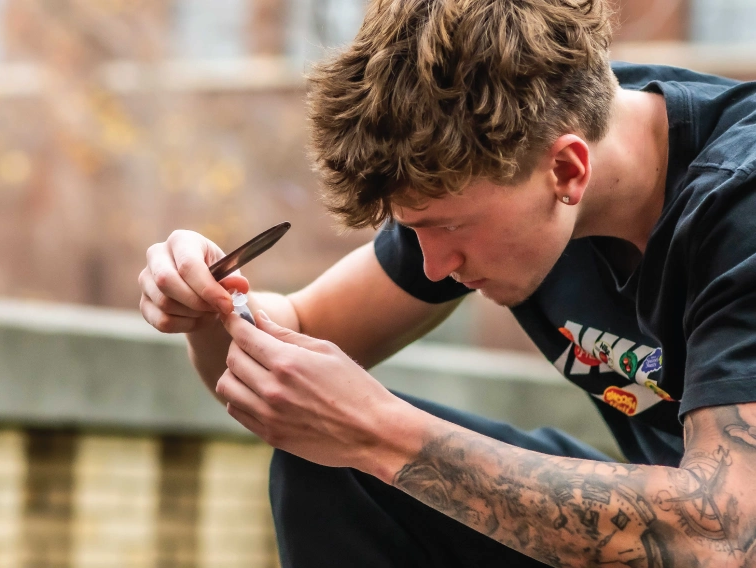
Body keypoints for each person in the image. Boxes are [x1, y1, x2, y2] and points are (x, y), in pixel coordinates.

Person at [138, 0, 756, 566]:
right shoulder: (493, 160)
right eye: (416, 230)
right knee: (335, 470)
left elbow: (726, 533)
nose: (432, 265)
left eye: (448, 228)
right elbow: (296, 338)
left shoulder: (738, 203)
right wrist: (213, 307)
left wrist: (380, 432)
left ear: (567, 169)